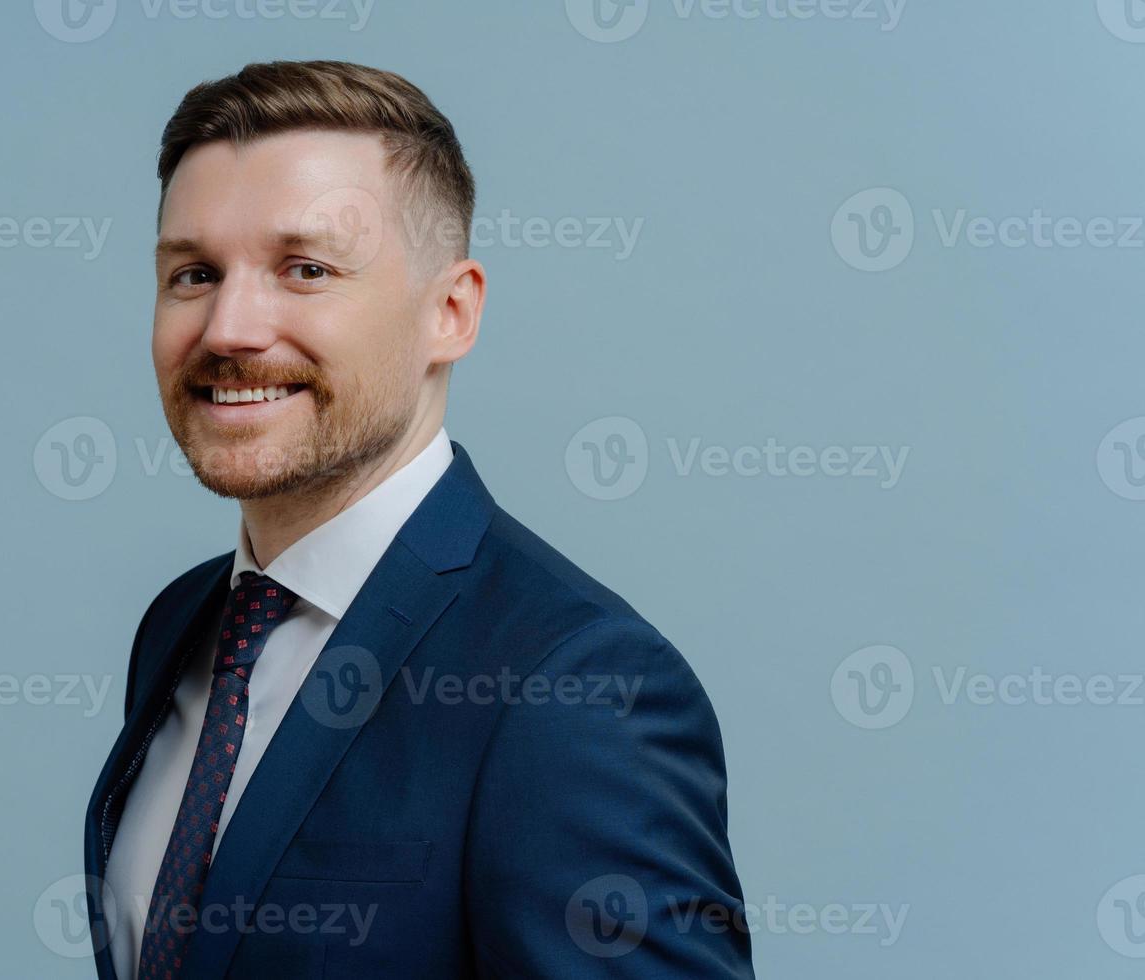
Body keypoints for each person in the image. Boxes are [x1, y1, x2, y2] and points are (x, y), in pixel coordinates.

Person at [83, 59, 754, 980]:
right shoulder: (180, 628)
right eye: (194, 273)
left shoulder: (576, 687)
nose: (230, 327)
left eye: (305, 269)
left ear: (450, 311)